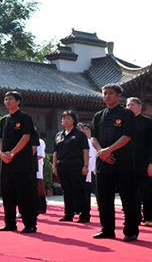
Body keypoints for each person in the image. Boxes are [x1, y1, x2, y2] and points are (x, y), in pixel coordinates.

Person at [90, 84, 140, 241]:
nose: (107, 96)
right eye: (105, 93)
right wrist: (101, 152)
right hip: (103, 162)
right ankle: (107, 229)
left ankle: (131, 230)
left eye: (111, 93)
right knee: (103, 198)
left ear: (119, 95)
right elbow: (93, 137)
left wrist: (109, 150)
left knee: (128, 197)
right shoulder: (98, 116)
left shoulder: (126, 114)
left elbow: (128, 135)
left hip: (123, 161)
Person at [0, 91, 37, 233]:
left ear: (18, 101)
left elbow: (26, 137)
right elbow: (0, 139)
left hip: (21, 162)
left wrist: (13, 152)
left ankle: (29, 224)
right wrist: (1, 153)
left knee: (24, 193)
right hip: (6, 162)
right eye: (5, 99)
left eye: (10, 99)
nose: (7, 101)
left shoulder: (25, 117)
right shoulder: (4, 120)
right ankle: (10, 223)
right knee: (8, 193)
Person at [53, 110, 90, 223]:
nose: (65, 120)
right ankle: (68, 214)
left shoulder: (79, 134)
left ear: (74, 120)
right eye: (64, 118)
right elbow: (55, 152)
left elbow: (85, 150)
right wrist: (54, 167)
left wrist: (85, 166)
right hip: (62, 166)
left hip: (76, 166)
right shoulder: (59, 135)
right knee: (67, 191)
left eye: (68, 118)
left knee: (79, 190)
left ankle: (84, 214)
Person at [125, 97, 152, 226]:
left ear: (140, 107)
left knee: (147, 192)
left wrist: (151, 163)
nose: (129, 107)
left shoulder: (148, 122)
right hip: (128, 163)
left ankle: (149, 217)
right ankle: (134, 217)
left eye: (132, 105)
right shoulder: (123, 123)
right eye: (128, 105)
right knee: (130, 192)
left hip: (144, 162)